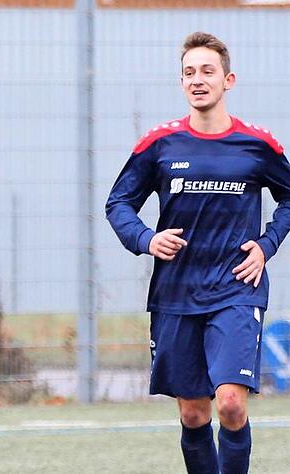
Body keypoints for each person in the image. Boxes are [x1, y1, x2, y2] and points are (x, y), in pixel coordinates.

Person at [106, 32, 290, 473]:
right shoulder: (159, 144)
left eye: (207, 71)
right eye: (189, 73)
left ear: (228, 79)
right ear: (181, 82)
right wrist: (146, 239)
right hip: (176, 293)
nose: (198, 80)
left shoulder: (256, 144)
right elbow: (118, 203)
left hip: (236, 289)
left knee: (229, 404)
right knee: (193, 414)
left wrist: (266, 245)